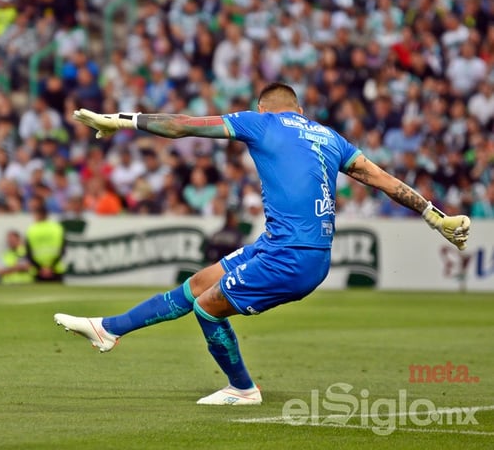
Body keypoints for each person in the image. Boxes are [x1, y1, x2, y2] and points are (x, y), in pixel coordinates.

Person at [55, 83, 471, 406]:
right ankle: (108, 329)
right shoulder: (329, 137)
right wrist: (436, 216)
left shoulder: (262, 123)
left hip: (291, 257)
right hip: (287, 248)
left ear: (262, 108)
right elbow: (385, 181)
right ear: (300, 110)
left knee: (207, 307)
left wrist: (121, 120)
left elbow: (183, 126)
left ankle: (242, 389)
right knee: (201, 282)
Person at [25, 198, 66, 282]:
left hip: (38, 270)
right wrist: (50, 267)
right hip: (56, 269)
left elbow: (28, 253)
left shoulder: (31, 230)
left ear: (37, 215)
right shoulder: (57, 228)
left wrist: (41, 268)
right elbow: (63, 250)